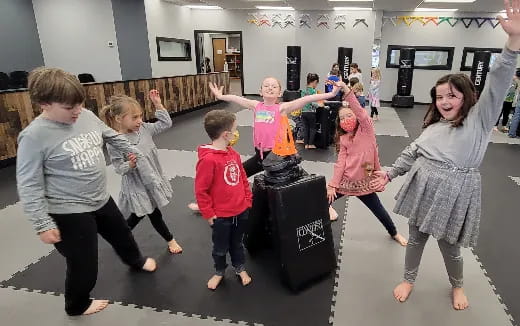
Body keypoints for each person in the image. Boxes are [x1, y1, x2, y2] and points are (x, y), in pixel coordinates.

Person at [372, 1, 520, 310]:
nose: (444, 101)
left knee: (450, 247)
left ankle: (457, 285)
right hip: (423, 187)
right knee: (415, 238)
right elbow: (413, 151)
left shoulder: (480, 121)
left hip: (455, 192)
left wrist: (512, 44)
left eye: (451, 95)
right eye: (439, 97)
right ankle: (409, 278)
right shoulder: (434, 125)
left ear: (467, 97)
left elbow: (497, 82)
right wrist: (389, 173)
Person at [16, 67, 156, 316]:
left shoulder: (86, 116)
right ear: (44, 104)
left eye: (79, 104)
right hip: (69, 210)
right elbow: (28, 184)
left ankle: (135, 261)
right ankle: (77, 303)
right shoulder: (34, 137)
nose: (77, 111)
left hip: (100, 198)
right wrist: (42, 223)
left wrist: (129, 149)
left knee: (123, 234)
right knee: (84, 262)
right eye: (69, 108)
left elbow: (111, 135)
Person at [188, 77, 341, 211]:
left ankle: (325, 206)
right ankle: (207, 205)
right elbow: (237, 99)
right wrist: (221, 96)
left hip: (278, 158)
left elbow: (306, 99)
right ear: (260, 91)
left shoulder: (281, 108)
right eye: (266, 85)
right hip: (260, 156)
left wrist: (331, 94)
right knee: (233, 177)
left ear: (279, 93)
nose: (270, 88)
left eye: (274, 86)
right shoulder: (256, 105)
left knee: (303, 181)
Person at [102, 91, 182, 254]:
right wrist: (130, 165)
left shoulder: (145, 129)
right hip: (137, 185)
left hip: (152, 180)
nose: (139, 121)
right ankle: (170, 239)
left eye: (140, 116)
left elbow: (166, 123)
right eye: (134, 118)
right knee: (153, 213)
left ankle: (120, 235)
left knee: (138, 215)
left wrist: (158, 104)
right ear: (119, 119)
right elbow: (119, 168)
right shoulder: (115, 142)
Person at [326, 83, 407, 245]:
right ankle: (325, 211)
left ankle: (394, 233)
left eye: (349, 116)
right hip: (346, 180)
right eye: (342, 118)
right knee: (322, 199)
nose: (345, 120)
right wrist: (333, 185)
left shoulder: (366, 130)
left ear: (356, 117)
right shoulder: (343, 138)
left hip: (364, 181)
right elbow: (341, 162)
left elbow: (360, 112)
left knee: (379, 211)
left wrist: (345, 89)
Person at [195, 110, 253, 290]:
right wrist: (208, 213)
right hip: (221, 216)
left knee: (237, 243)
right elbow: (201, 189)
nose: (237, 133)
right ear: (226, 134)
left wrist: (247, 200)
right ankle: (219, 271)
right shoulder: (208, 160)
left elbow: (243, 177)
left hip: (241, 211)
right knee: (220, 247)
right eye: (235, 130)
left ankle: (239, 267)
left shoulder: (232, 153)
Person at [301, 73, 322, 149]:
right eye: (317, 83)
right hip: (311, 112)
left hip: (303, 112)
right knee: (312, 128)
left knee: (305, 128)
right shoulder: (313, 91)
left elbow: (302, 101)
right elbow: (312, 102)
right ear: (315, 81)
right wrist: (319, 105)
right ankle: (311, 144)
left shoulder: (303, 91)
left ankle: (306, 144)